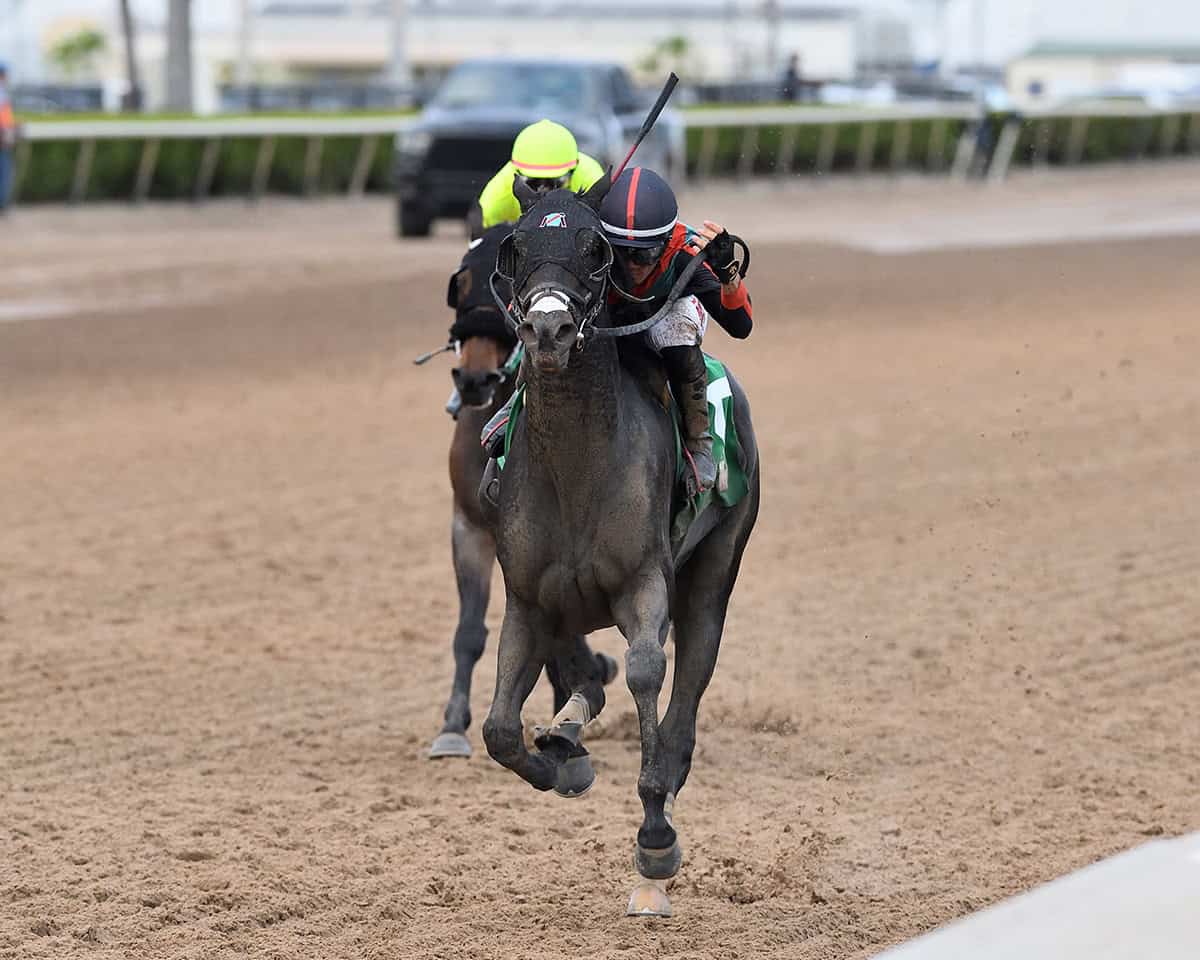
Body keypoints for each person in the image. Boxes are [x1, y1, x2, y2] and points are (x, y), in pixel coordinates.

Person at [597, 167, 753, 493]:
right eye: (621, 254)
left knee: (676, 329)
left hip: (665, 315)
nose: (633, 266)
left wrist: (728, 275)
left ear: (667, 241)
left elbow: (740, 325)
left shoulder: (686, 252)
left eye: (645, 253)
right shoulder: (593, 249)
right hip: (608, 319)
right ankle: (514, 406)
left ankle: (700, 445)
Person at [471, 119, 605, 234]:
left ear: (574, 170)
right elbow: (483, 247)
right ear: (516, 173)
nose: (543, 190)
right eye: (532, 182)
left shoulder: (591, 180)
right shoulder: (496, 200)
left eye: (555, 182)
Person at [0, 64, 16, 215]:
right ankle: (3, 205)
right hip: (2, 139)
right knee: (4, 172)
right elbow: (4, 120)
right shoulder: (2, 92)